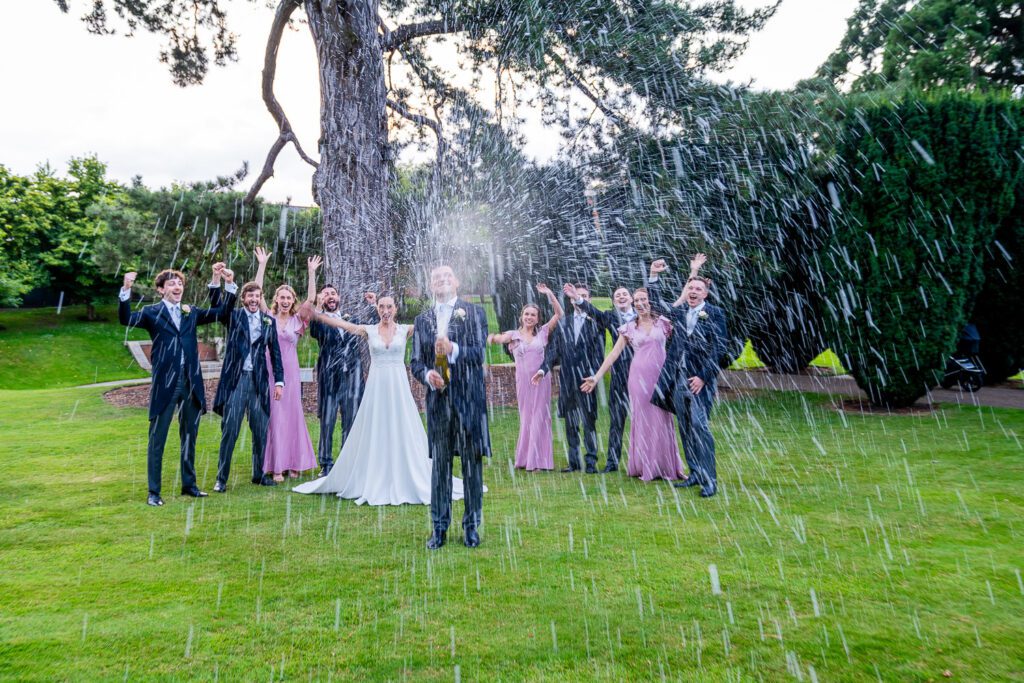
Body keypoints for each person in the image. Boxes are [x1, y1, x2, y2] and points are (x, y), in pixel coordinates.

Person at [293, 294, 476, 507]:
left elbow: (433, 321)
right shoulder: (368, 330)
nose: (385, 310)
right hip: (377, 387)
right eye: (382, 306)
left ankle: (405, 471)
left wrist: (455, 313)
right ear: (377, 309)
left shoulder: (406, 329)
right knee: (375, 427)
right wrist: (317, 316)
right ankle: (374, 472)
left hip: (398, 386)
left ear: (395, 309)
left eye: (389, 306)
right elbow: (340, 323)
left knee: (402, 426)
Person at [117, 263, 236, 506]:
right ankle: (154, 492)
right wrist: (126, 290)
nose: (177, 286)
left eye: (180, 283)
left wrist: (225, 283)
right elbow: (126, 319)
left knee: (190, 436)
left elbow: (220, 312)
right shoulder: (151, 313)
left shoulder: (189, 311)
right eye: (171, 283)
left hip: (191, 382)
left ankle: (189, 485)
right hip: (165, 384)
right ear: (161, 290)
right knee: (157, 438)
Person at [411, 266, 490, 549]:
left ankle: (471, 527)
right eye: (436, 278)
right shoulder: (422, 320)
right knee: (440, 468)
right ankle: (439, 528)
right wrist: (427, 377)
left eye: (447, 276)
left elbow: (479, 352)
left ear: (457, 281)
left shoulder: (475, 313)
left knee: (472, 467)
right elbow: (416, 362)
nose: (442, 280)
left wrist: (452, 349)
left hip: (469, 401)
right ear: (431, 286)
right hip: (439, 403)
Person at [580, 288, 682, 481]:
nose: (641, 303)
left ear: (650, 301)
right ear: (634, 304)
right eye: (637, 301)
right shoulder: (629, 327)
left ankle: (665, 465)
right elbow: (613, 354)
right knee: (642, 421)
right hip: (638, 378)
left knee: (662, 419)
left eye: (644, 299)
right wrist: (597, 376)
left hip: (661, 378)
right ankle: (644, 466)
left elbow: (680, 341)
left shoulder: (664, 323)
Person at [648, 259, 723, 497]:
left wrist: (703, 377)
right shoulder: (679, 312)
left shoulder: (715, 314)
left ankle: (710, 481)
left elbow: (718, 349)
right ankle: (695, 473)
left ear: (706, 294)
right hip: (677, 381)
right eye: (691, 288)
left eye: (698, 289)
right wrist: (653, 276)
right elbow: (656, 305)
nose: (693, 292)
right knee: (686, 429)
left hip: (700, 383)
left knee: (701, 428)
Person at [211, 273, 285, 492]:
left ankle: (259, 474)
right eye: (250, 296)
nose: (254, 299)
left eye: (257, 296)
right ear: (243, 298)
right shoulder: (233, 317)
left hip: (258, 382)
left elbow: (276, 354)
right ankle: (221, 478)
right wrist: (224, 283)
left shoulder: (268, 321)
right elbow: (217, 306)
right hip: (236, 381)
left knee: (261, 430)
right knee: (230, 430)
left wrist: (279, 381)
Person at [252, 247, 319, 482]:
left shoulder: (297, 319)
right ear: (276, 299)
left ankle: (294, 462)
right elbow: (256, 293)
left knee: (292, 415)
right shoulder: (267, 318)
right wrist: (261, 265)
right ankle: (276, 465)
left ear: (292, 301)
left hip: (290, 371)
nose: (285, 300)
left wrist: (311, 273)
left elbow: (311, 300)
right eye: (281, 297)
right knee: (275, 417)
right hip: (270, 370)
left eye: (289, 298)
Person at [486, 284, 564, 471]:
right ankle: (524, 459)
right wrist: (491, 337)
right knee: (527, 418)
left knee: (540, 418)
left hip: (541, 381)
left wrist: (550, 294)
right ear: (522, 316)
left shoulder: (543, 332)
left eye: (533, 315)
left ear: (537, 319)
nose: (529, 317)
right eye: (526, 314)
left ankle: (538, 461)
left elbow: (559, 314)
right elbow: (499, 339)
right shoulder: (513, 335)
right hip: (523, 383)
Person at [531, 283, 603, 474]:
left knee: (589, 422)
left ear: (589, 299)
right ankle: (574, 462)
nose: (582, 299)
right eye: (578, 296)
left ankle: (591, 462)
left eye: (585, 296)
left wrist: (594, 375)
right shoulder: (564, 323)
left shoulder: (596, 322)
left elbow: (599, 354)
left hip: (587, 381)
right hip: (568, 381)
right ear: (572, 300)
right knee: (570, 422)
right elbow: (553, 350)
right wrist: (542, 370)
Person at [309, 284, 378, 476]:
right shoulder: (319, 321)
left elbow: (372, 329)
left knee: (351, 422)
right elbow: (314, 329)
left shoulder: (352, 319)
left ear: (338, 297)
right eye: (325, 295)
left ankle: (347, 462)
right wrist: (317, 305)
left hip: (352, 380)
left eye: (332, 293)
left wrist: (373, 306)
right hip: (330, 380)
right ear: (322, 300)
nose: (330, 297)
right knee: (327, 422)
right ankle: (326, 464)